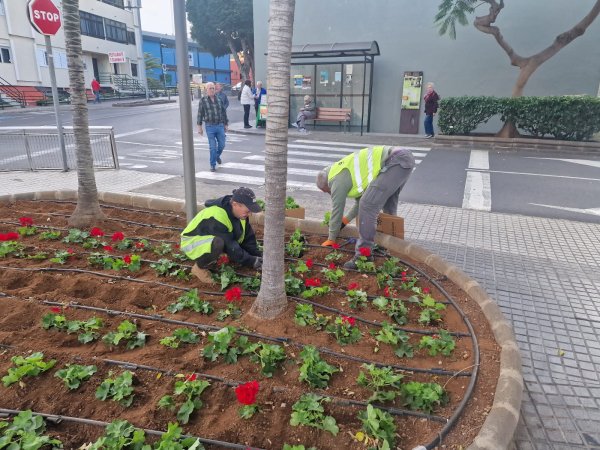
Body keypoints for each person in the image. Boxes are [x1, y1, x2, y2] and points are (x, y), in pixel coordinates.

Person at [316, 146, 415, 269]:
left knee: (368, 206)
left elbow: (337, 209)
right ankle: (391, 246)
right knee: (388, 204)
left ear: (327, 186)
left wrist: (331, 238)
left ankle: (363, 256)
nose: (328, 193)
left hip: (395, 161)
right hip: (402, 160)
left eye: (326, 191)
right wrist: (345, 221)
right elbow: (358, 204)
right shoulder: (339, 170)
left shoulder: (335, 181)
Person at [180, 187, 263, 284]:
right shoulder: (217, 215)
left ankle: (216, 255)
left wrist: (257, 255)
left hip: (209, 240)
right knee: (218, 243)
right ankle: (199, 268)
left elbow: (248, 238)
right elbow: (230, 246)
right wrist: (252, 261)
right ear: (235, 204)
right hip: (192, 243)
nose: (249, 214)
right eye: (247, 211)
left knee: (222, 242)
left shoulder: (241, 214)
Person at [197, 82, 228, 172]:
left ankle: (216, 156)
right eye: (210, 88)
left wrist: (226, 124)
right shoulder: (203, 100)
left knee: (222, 145)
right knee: (212, 147)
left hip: (220, 125)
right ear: (206, 90)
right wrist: (199, 127)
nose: (212, 90)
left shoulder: (219, 99)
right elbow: (200, 114)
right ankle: (212, 164)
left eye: (213, 88)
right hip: (209, 126)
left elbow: (223, 113)